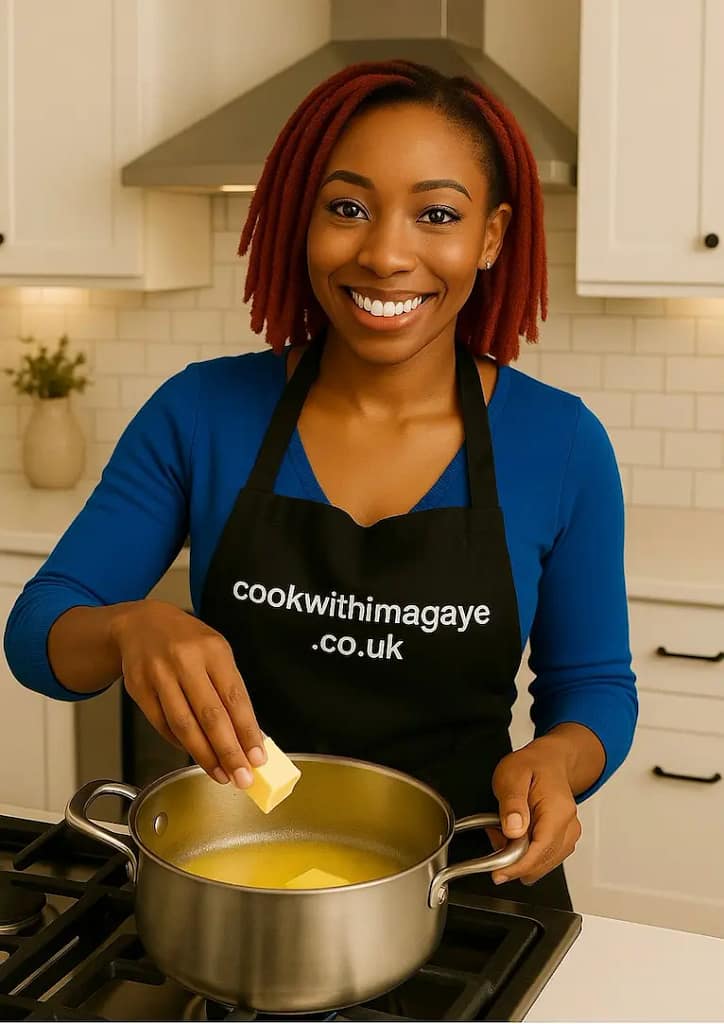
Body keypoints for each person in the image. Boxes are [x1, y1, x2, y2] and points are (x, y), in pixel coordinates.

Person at [4, 60, 637, 911]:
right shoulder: (203, 412)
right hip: (237, 890)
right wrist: (127, 627)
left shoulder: (560, 444)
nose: (383, 253)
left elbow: (594, 687)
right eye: (347, 208)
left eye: (437, 214)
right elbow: (40, 632)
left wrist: (559, 758)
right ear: (303, 220)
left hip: (467, 886)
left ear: (491, 237)